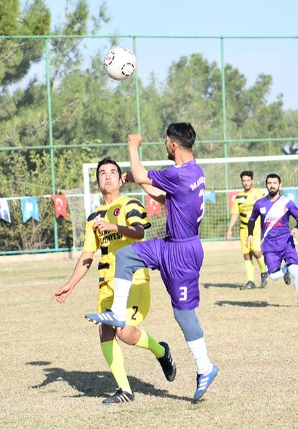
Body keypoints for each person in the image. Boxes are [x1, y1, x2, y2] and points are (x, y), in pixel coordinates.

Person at [84, 122, 219, 401]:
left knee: (184, 315)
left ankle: (205, 367)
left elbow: (139, 171)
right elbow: (161, 194)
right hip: (170, 245)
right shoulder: (193, 173)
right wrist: (139, 180)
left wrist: (133, 147)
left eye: (166, 142)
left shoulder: (179, 174)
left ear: (173, 145)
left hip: (183, 253)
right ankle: (117, 312)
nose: (165, 146)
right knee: (126, 255)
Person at [53, 157, 175, 405]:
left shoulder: (130, 204)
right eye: (102, 173)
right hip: (106, 285)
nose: (107, 176)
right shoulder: (93, 217)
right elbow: (88, 255)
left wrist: (114, 226)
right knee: (106, 330)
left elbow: (140, 232)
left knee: (125, 333)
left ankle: (162, 351)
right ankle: (125, 390)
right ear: (97, 181)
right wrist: (71, 284)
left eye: (112, 172)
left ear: (121, 179)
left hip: (134, 280)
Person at [247, 173, 298, 308]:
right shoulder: (260, 203)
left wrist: (297, 228)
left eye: (275, 183)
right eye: (269, 183)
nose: (272, 185)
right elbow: (251, 220)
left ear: (280, 185)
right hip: (269, 246)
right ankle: (286, 271)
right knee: (274, 277)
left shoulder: (286, 202)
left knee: (296, 269)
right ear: (266, 185)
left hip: (286, 243)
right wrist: (250, 234)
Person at [225, 171, 269, 289]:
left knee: (256, 250)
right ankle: (251, 281)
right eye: (243, 181)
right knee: (246, 255)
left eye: (248, 180)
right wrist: (229, 229)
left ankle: (264, 271)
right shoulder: (239, 197)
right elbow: (235, 213)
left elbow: (267, 209)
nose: (246, 183)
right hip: (243, 229)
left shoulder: (259, 194)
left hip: (256, 228)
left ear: (252, 180)